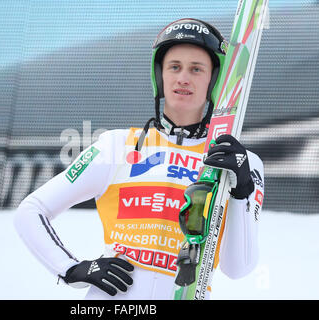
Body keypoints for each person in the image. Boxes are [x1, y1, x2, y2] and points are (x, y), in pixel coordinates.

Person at [14, 18, 264, 300]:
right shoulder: (117, 146)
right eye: (174, 67)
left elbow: (238, 268)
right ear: (159, 76)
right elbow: (31, 211)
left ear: (213, 81)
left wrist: (242, 191)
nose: (183, 77)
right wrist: (72, 269)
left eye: (196, 69)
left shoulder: (240, 162)